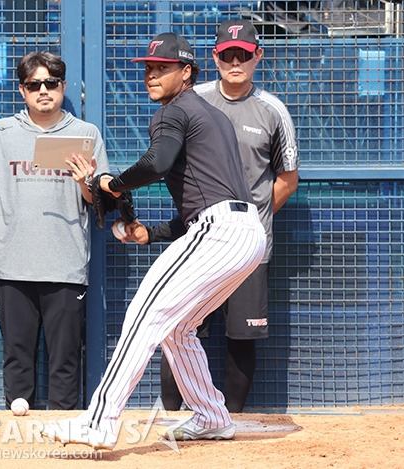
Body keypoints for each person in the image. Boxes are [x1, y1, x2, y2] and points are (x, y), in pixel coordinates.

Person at [41, 32, 266, 450]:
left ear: (186, 72)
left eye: (162, 67)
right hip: (244, 233)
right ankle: (213, 416)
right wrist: (151, 234)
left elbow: (157, 164)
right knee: (178, 329)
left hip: (220, 231)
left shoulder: (173, 110)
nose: (151, 74)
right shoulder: (212, 114)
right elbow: (202, 201)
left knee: (144, 314)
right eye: (148, 68)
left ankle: (99, 422)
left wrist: (110, 181)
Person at [156, 18, 299, 413]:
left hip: (249, 249)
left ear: (258, 57)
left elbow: (287, 179)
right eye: (226, 55)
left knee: (241, 338)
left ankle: (230, 422)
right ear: (214, 58)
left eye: (244, 55)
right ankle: (172, 416)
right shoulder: (193, 100)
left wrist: (249, 220)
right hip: (199, 243)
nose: (235, 62)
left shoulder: (273, 111)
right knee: (181, 329)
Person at [0, 51, 109, 410]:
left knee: (65, 360)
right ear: (22, 90)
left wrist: (84, 183)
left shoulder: (84, 134)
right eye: (34, 85)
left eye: (51, 83)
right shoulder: (2, 132)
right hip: (13, 266)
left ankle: (63, 436)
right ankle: (20, 434)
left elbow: (100, 203)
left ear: (62, 87)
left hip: (65, 267)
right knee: (17, 357)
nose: (43, 91)